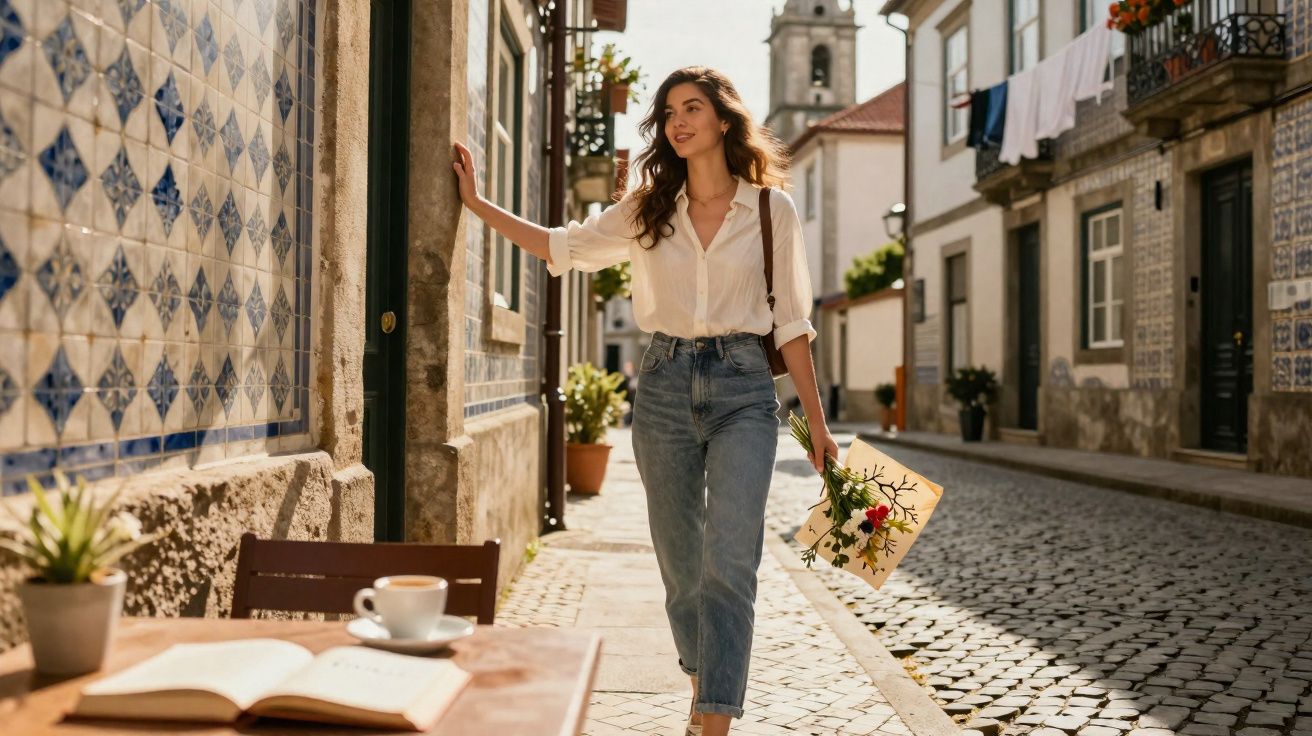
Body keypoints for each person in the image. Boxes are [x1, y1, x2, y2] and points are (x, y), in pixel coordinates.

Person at [451, 65, 838, 736]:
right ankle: (702, 679)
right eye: (667, 113)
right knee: (680, 566)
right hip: (661, 387)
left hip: (745, 389)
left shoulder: (773, 211)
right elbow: (560, 246)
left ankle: (714, 719)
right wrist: (479, 205)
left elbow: (794, 324)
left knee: (731, 559)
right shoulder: (648, 207)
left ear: (723, 118)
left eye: (692, 108)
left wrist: (819, 424)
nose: (678, 121)